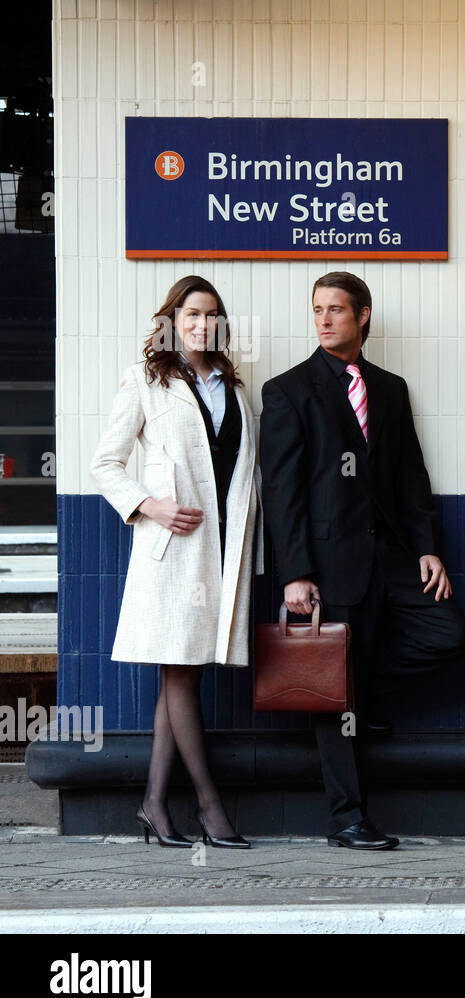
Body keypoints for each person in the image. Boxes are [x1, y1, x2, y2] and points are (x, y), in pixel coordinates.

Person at [260, 271, 465, 850]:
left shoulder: (390, 387)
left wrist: (429, 547)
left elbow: (410, 475)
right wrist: (295, 573)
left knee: (451, 633)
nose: (325, 319)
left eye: (336, 309)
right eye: (317, 310)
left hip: (394, 557)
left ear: (363, 316)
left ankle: (370, 693)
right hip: (328, 566)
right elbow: (281, 492)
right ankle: (346, 818)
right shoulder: (288, 391)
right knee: (333, 692)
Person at [89, 275, 261, 850]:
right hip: (172, 553)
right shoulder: (146, 380)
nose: (201, 324)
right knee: (181, 672)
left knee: (180, 673)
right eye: (190, 314)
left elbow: (243, 474)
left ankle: (154, 806)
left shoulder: (235, 390)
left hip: (220, 553)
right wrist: (151, 506)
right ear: (170, 320)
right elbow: (104, 463)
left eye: (211, 314)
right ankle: (211, 808)